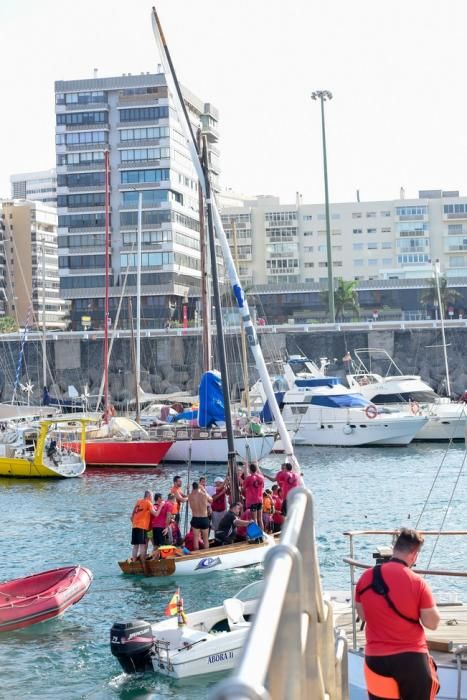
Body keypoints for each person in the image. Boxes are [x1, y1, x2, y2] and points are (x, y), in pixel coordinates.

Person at [355, 528, 440, 700]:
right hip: (412, 660)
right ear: (414, 554)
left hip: (376, 660)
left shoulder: (365, 578)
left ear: (394, 548)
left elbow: (363, 615)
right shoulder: (417, 583)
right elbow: (432, 623)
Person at [130, 490, 158, 561]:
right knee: (142, 545)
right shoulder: (149, 503)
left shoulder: (138, 501)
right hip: (142, 526)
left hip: (134, 526)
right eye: (151, 496)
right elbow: (155, 514)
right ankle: (143, 562)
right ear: (149, 496)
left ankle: (134, 562)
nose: (152, 498)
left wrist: (134, 523)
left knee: (135, 546)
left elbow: (131, 516)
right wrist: (162, 506)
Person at [188, 481, 212, 550]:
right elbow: (211, 500)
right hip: (204, 519)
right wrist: (203, 489)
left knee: (196, 539)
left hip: (195, 518)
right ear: (199, 487)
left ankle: (197, 554)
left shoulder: (190, 496)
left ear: (193, 488)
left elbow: (191, 495)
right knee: (205, 539)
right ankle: (206, 554)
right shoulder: (204, 494)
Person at [242, 463, 265, 527]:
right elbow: (262, 486)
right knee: (260, 519)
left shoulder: (249, 478)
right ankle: (261, 535)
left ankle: (256, 536)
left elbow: (243, 488)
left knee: (254, 519)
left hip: (252, 501)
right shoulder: (261, 477)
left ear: (250, 470)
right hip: (260, 500)